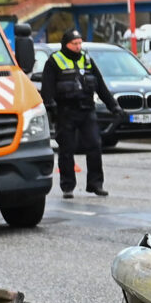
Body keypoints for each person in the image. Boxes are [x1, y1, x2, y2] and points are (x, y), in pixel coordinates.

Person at [40, 28, 114, 197]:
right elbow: (47, 87)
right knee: (67, 149)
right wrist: (50, 106)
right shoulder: (55, 61)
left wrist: (113, 106)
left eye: (80, 43)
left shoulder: (86, 59)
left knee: (95, 146)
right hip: (66, 111)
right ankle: (67, 187)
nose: (78, 46)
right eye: (75, 44)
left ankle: (95, 184)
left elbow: (100, 85)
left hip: (87, 110)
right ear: (66, 44)